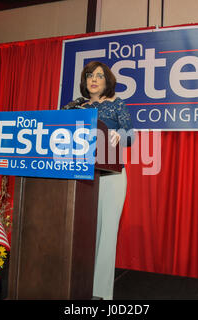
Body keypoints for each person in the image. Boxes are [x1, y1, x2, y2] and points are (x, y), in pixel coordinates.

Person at [79, 61, 134, 300]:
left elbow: (130, 134)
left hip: (111, 177)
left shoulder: (117, 104)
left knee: (107, 234)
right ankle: (79, 284)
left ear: (107, 81)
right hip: (81, 178)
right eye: (90, 75)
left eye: (99, 76)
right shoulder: (76, 107)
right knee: (84, 233)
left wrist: (119, 134)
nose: (94, 79)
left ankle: (100, 294)